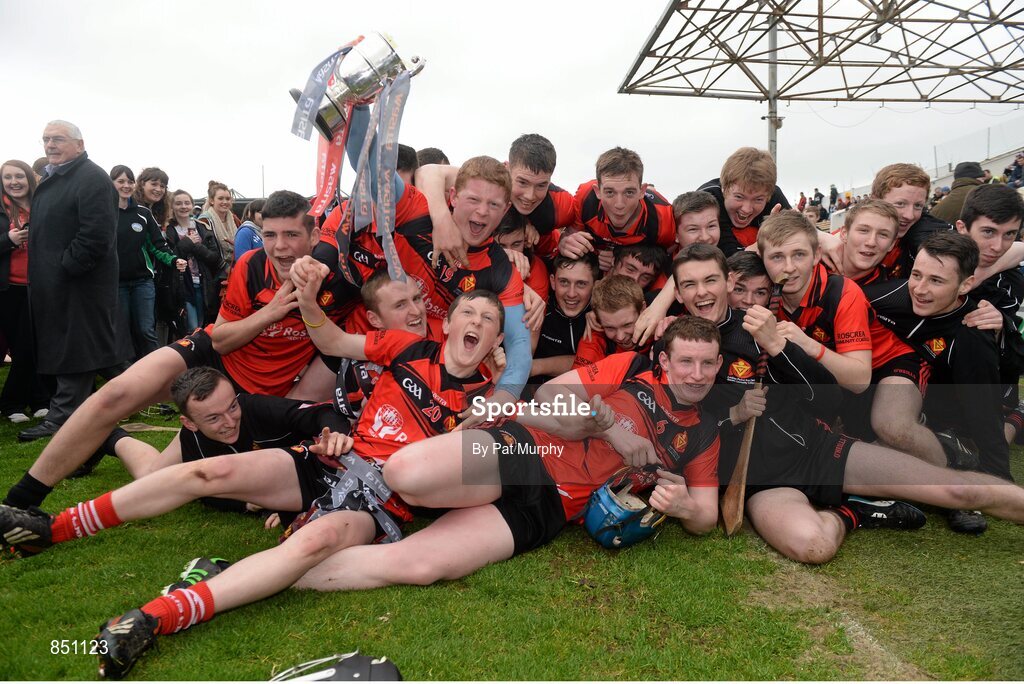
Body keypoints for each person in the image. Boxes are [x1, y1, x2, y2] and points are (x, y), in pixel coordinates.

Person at [83, 288, 507, 679]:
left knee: (308, 546)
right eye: (467, 311)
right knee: (211, 473)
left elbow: (461, 483)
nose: (476, 321)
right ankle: (56, 525)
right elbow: (334, 341)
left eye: (488, 319)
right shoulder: (408, 346)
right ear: (447, 324)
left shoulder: (489, 406)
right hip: (331, 459)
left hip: (377, 501)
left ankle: (153, 618)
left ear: (496, 341)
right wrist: (306, 296)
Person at [1, 190, 359, 512]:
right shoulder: (250, 265)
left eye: (292, 235)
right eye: (270, 235)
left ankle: (112, 439)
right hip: (217, 352)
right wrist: (271, 312)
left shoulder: (341, 282)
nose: (280, 247)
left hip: (256, 393)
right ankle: (20, 501)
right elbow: (221, 338)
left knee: (153, 480)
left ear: (314, 236)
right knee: (118, 392)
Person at [667, 243, 1024, 564]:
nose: (702, 293)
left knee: (956, 490)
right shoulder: (666, 346)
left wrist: (777, 347)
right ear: (677, 292)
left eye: (710, 281)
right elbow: (669, 426)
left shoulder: (759, 328)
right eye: (688, 285)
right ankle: (854, 511)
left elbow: (827, 400)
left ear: (727, 282)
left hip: (817, 451)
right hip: (760, 483)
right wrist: (734, 415)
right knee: (813, 546)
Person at [866, 232, 1014, 533]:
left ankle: (958, 481)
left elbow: (984, 413)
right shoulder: (887, 296)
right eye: (916, 275)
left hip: (949, 424)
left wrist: (996, 482)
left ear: (965, 285)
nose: (920, 289)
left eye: (936, 281)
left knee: (890, 448)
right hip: (897, 400)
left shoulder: (971, 333)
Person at [18, 120, 121, 442]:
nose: (50, 145)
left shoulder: (90, 177)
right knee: (89, 352)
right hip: (58, 285)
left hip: (79, 286)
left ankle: (61, 418)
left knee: (77, 350)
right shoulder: (57, 178)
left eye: (58, 139)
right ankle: (149, 393)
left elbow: (97, 234)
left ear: (79, 143)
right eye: (46, 139)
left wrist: (65, 269)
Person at [110, 165, 185, 361]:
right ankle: (128, 378)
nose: (126, 185)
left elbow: (157, 245)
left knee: (146, 330)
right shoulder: (103, 212)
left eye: (129, 181)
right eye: (120, 181)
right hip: (116, 283)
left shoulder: (143, 213)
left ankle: (156, 373)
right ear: (111, 184)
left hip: (143, 281)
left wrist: (174, 260)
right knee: (122, 333)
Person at [559, 147, 675, 273]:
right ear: (597, 191)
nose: (619, 204)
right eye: (610, 192)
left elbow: (671, 253)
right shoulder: (586, 197)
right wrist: (564, 243)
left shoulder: (664, 217)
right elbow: (570, 235)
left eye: (629, 192)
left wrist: (624, 257)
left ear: (642, 191)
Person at [0, 160, 49, 423]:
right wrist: (8, 240)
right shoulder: (0, 210)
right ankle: (14, 403)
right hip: (8, 289)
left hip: (38, 286)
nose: (14, 182)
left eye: (19, 176)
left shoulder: (40, 207)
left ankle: (34, 399)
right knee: (23, 347)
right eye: (8, 177)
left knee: (32, 346)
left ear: (29, 180)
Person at [696, 147, 790, 255]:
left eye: (758, 199)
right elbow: (731, 258)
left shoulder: (773, 195)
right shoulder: (708, 199)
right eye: (739, 197)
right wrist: (765, 241)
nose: (746, 209)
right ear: (724, 189)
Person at [530, 253, 599, 384]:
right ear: (552, 282)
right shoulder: (538, 307)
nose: (571, 293)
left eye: (581, 284)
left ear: (595, 286)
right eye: (564, 282)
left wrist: (534, 366)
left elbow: (593, 365)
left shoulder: (602, 315)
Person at [165, 189, 224, 330]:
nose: (183, 206)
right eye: (178, 203)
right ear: (172, 206)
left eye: (187, 203)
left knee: (204, 325)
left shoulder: (203, 227)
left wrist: (195, 246)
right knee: (191, 327)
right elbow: (169, 257)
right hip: (182, 285)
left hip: (204, 283)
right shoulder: (168, 230)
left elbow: (214, 257)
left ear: (192, 205)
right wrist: (187, 243)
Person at [572, 275, 651, 367]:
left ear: (643, 309)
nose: (620, 337)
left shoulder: (662, 324)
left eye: (627, 325)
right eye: (610, 328)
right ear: (599, 320)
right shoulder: (593, 340)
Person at [199, 180, 238, 265]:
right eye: (220, 198)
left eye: (228, 199)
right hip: (215, 270)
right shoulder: (204, 221)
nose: (225, 202)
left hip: (236, 265)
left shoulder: (235, 219)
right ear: (212, 201)